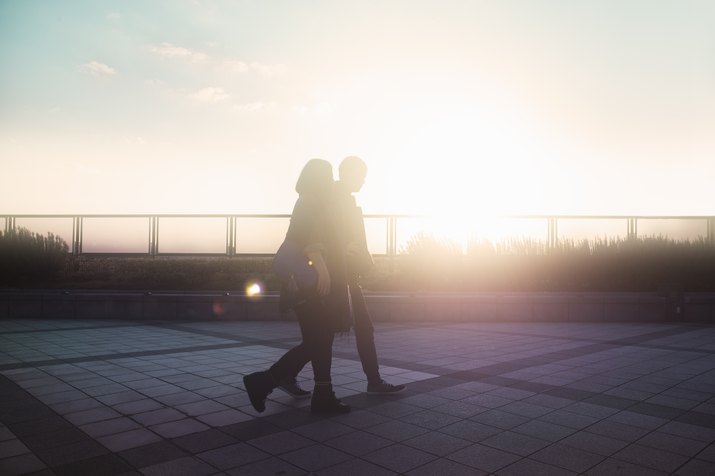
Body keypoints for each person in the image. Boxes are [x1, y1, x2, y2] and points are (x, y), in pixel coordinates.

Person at [279, 156, 405, 398]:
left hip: (345, 273)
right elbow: (319, 233)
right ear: (348, 173)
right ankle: (279, 376)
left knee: (350, 331)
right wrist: (337, 254)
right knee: (325, 336)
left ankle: (370, 380)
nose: (364, 181)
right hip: (337, 275)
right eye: (361, 176)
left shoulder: (343, 198)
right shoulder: (329, 198)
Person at [243, 159, 351, 414]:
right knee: (318, 341)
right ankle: (264, 381)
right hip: (311, 281)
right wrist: (322, 269)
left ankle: (321, 394)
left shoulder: (306, 199)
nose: (332, 179)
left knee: (319, 340)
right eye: (329, 174)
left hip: (303, 280)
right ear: (319, 178)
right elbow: (309, 238)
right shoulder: (312, 201)